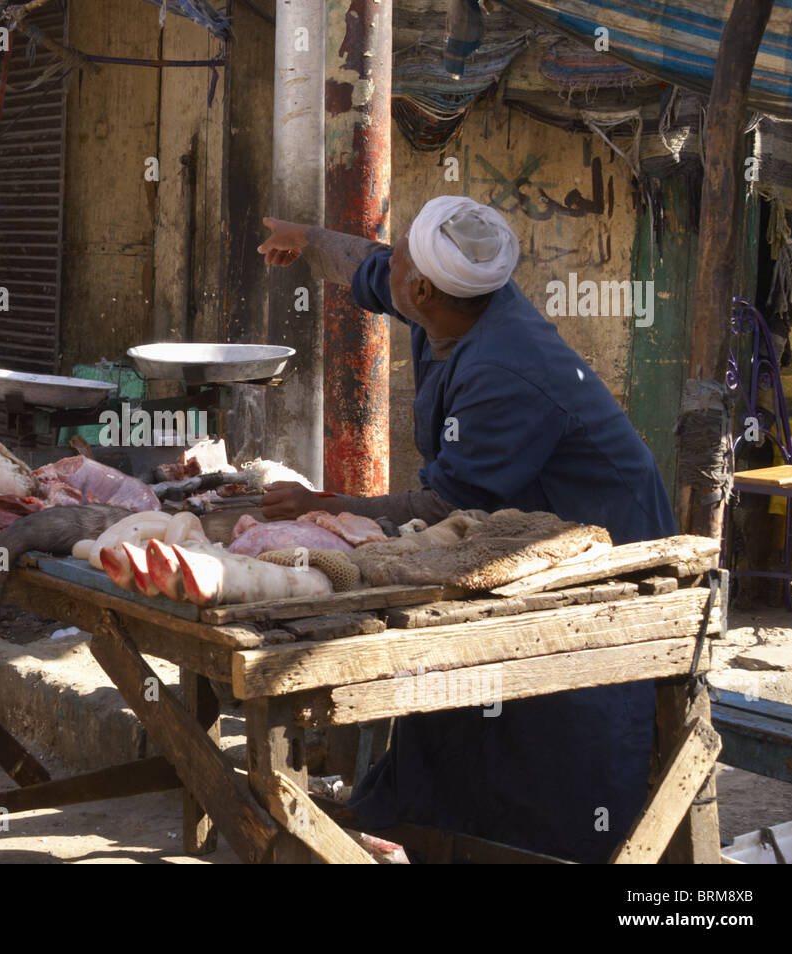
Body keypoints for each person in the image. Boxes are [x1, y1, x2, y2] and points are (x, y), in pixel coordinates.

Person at [257, 195, 675, 863]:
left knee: (560, 726)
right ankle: (426, 833)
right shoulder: (450, 296)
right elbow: (368, 264)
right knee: (459, 709)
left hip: (606, 545)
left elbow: (444, 504)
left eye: (402, 265)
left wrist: (325, 502)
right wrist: (303, 237)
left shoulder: (504, 370)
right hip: (513, 525)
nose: (390, 267)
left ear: (420, 289)